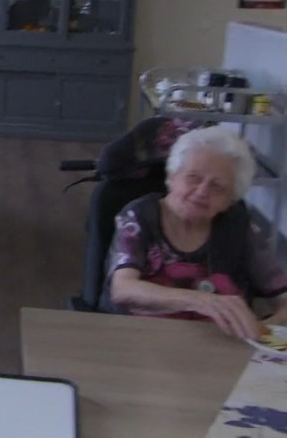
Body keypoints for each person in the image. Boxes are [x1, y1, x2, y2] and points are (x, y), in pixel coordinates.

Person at [104, 126, 287, 339]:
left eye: (217, 187)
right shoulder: (139, 217)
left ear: (229, 200)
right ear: (172, 177)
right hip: (143, 340)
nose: (202, 192)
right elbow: (123, 288)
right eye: (193, 177)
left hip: (221, 346)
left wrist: (264, 331)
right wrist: (199, 300)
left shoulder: (237, 225)